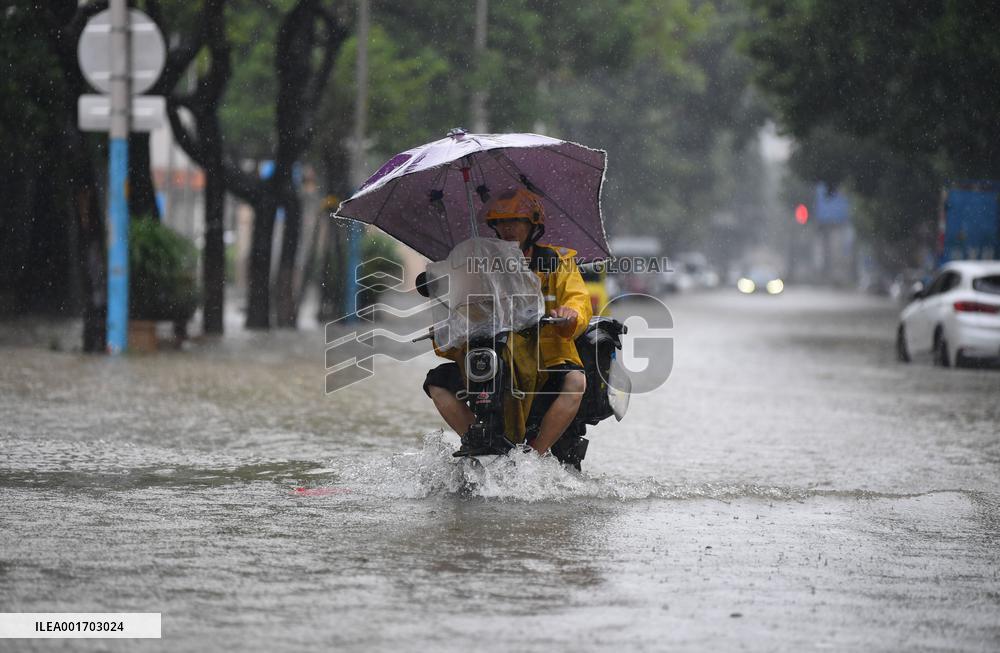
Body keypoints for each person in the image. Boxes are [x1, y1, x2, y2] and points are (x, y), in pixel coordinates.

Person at [421, 188, 593, 455]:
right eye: (500, 222)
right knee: (438, 382)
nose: (507, 228)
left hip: (545, 356)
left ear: (533, 223)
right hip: (495, 349)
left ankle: (536, 453)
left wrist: (569, 314)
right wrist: (449, 320)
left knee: (575, 383)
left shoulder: (555, 261)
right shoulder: (480, 262)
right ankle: (474, 438)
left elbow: (578, 299)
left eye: (515, 220)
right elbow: (465, 306)